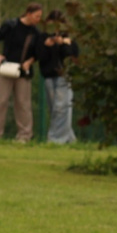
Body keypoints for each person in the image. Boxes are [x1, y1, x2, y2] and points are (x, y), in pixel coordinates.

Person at [0, 3, 46, 143]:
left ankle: (24, 135)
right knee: (1, 102)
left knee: (23, 103)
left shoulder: (36, 33)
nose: (38, 19)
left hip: (23, 71)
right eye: (37, 16)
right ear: (28, 14)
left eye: (40, 17)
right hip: (6, 68)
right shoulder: (11, 25)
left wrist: (29, 62)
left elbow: (39, 52)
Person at [38, 12, 79, 144]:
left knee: (61, 108)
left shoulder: (68, 39)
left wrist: (63, 44)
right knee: (55, 110)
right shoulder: (43, 38)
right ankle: (68, 138)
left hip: (63, 76)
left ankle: (56, 139)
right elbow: (40, 57)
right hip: (49, 77)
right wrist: (46, 45)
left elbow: (72, 56)